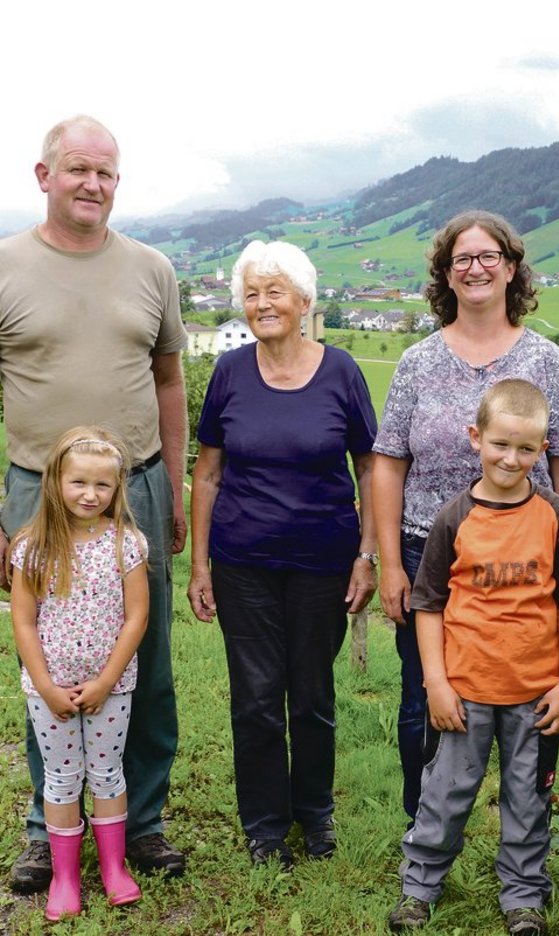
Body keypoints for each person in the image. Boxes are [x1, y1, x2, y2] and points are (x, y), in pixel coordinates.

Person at [0, 114, 189, 892]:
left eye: (106, 173)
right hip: (38, 494)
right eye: (78, 169)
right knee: (44, 658)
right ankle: (46, 826)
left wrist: (174, 489)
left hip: (138, 485)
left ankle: (141, 823)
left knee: (144, 661)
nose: (93, 184)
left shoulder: (153, 269)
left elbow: (170, 385)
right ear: (44, 175)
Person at [372, 210, 559, 821]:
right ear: (445, 273)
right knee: (425, 695)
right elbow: (388, 463)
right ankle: (425, 832)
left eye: (488, 256)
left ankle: (524, 830)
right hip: (427, 555)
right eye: (461, 259)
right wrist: (390, 563)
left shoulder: (545, 359)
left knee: (529, 695)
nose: (475, 268)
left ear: (511, 267)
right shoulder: (416, 361)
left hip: (524, 557)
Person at [187, 239, 378, 869]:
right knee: (256, 697)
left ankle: (315, 816)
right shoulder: (229, 373)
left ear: (303, 300)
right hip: (243, 563)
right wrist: (199, 566)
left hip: (324, 561)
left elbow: (370, 467)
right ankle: (265, 826)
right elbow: (208, 473)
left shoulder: (342, 372)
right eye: (252, 293)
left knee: (313, 694)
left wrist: (367, 553)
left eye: (275, 291)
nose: (262, 303)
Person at [387, 379, 559, 935]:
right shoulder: (454, 519)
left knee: (529, 800)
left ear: (543, 450)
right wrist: (435, 680)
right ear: (475, 437)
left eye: (527, 449)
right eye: (501, 444)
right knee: (446, 795)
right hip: (465, 692)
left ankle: (524, 897)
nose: (512, 458)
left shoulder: (555, 517)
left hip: (535, 695)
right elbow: (428, 604)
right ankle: (419, 888)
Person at [10, 427, 148, 921]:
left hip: (110, 686)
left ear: (116, 490)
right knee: (62, 778)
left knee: (108, 774)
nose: (90, 495)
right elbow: (24, 621)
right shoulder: (33, 546)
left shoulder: (126, 544)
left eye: (102, 486)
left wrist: (108, 680)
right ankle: (65, 877)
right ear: (55, 482)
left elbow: (137, 617)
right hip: (50, 690)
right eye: (79, 483)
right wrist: (45, 686)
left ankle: (114, 869)